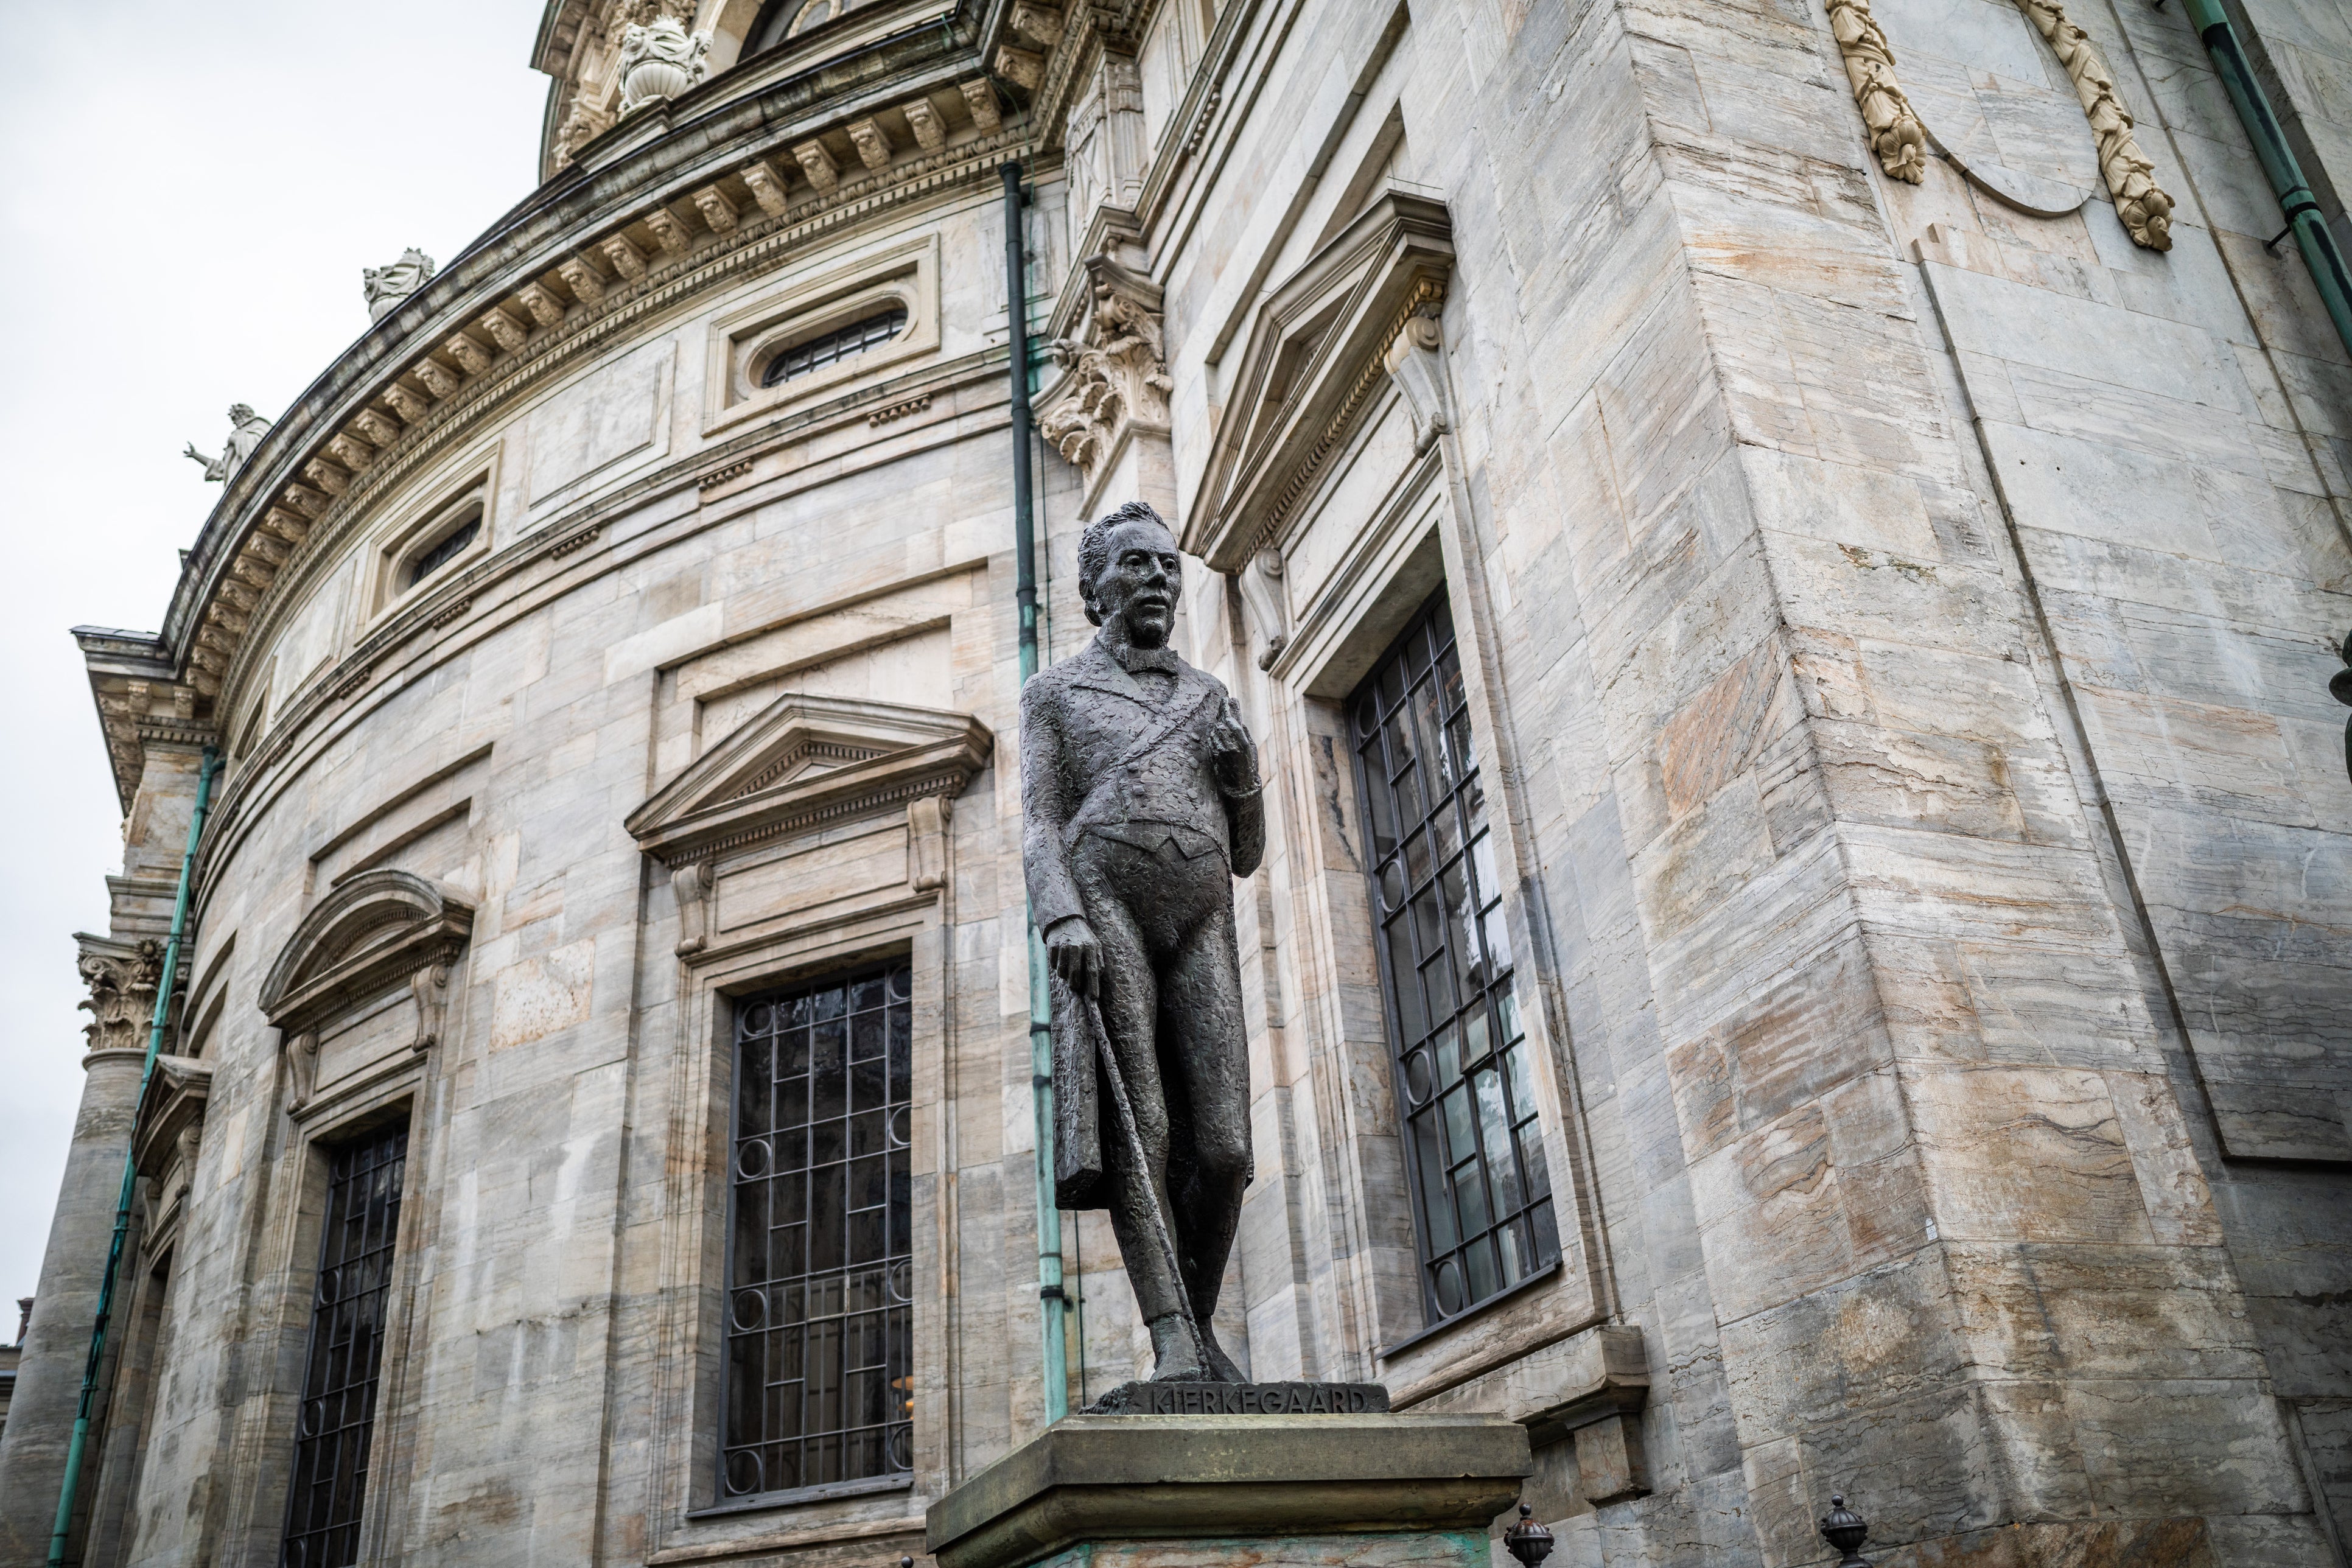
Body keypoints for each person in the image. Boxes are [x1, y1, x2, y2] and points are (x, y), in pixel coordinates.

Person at [1020, 500, 1264, 1382]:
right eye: (1139, 565)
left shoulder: (1209, 697)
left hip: (1201, 914)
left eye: (1169, 565)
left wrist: (1242, 777)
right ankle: (1171, 1334)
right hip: (1108, 905)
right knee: (1145, 1128)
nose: (1160, 577)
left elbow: (1249, 853)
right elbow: (1042, 825)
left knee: (1227, 1147)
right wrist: (1062, 915)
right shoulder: (1054, 695)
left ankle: (1194, 1327)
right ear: (1097, 587)